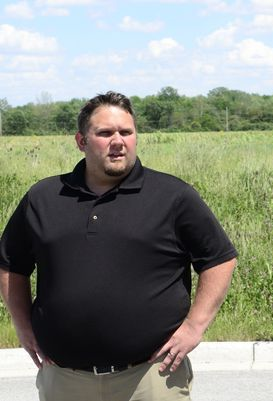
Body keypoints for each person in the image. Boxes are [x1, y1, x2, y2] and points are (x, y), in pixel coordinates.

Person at [0, 91, 238, 401]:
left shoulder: (172, 196)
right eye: (105, 133)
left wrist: (194, 327)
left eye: (126, 132)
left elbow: (219, 259)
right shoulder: (43, 198)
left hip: (151, 377)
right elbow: (10, 264)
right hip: (64, 379)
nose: (118, 141)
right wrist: (23, 327)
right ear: (81, 140)